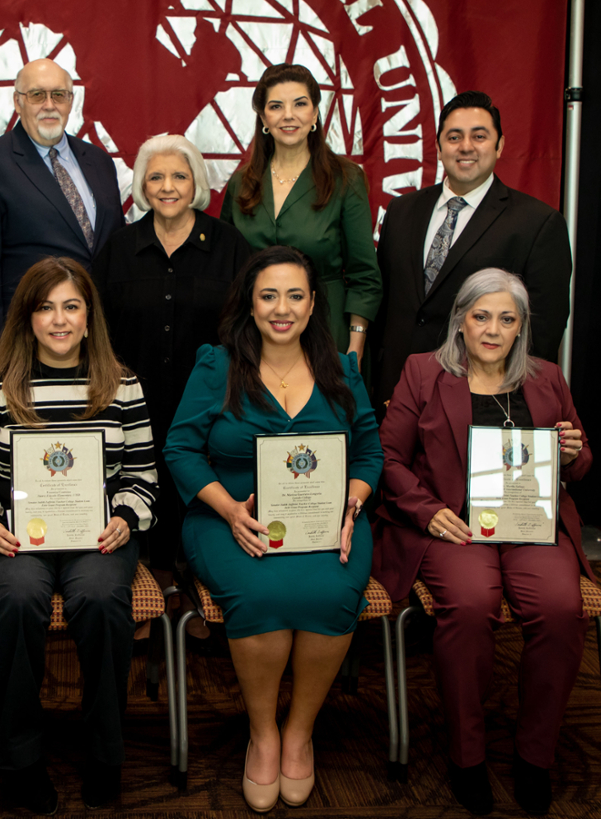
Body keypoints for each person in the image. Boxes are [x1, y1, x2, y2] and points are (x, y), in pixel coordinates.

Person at [164, 245, 382, 812]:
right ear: (250, 305)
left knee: (332, 590)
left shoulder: (343, 368)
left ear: (313, 306)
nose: (281, 308)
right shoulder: (217, 365)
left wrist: (352, 508)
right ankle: (263, 732)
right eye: (268, 296)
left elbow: (369, 455)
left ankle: (299, 731)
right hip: (228, 519)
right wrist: (230, 509)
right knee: (260, 593)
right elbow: (182, 449)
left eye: (294, 295)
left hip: (328, 522)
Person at [373, 267, 592, 816]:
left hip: (531, 527)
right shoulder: (424, 373)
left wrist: (572, 453)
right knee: (470, 606)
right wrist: (429, 512)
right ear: (461, 321)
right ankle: (466, 756)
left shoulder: (546, 378)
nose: (492, 329)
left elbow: (581, 462)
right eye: (481, 316)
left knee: (561, 608)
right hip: (457, 527)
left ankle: (534, 756)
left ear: (521, 328)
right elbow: (387, 459)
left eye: (506, 319)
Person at [0, 257, 157, 812]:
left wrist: (126, 515)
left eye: (71, 306)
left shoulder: (123, 384)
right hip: (17, 539)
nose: (59, 320)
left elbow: (143, 476)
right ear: (27, 318)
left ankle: (104, 753)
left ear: (90, 319)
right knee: (16, 598)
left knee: (98, 596)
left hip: (100, 537)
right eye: (45, 307)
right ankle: (20, 756)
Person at [93, 134, 252, 579]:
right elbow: (98, 327)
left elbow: (245, 325)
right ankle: (146, 585)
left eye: (179, 176)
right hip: (131, 401)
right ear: (142, 186)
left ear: (197, 183)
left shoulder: (229, 246)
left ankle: (193, 587)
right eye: (156, 176)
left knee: (197, 489)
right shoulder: (118, 249)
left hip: (209, 402)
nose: (168, 186)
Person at [371, 90, 573, 410]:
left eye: (479, 136)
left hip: (478, 402)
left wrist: (506, 401)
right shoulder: (401, 211)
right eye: (454, 137)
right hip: (393, 395)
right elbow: (384, 307)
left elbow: (542, 331)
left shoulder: (538, 223)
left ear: (499, 145)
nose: (466, 146)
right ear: (438, 147)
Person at [0, 58, 125, 368]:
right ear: (17, 102)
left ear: (71, 101)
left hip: (100, 342)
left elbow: (110, 249)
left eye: (58, 95)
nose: (49, 105)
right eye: (36, 95)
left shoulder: (98, 161)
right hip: (24, 348)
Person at [220, 63, 381, 366]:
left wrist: (355, 347)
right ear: (264, 118)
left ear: (315, 114)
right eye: (276, 106)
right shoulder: (242, 183)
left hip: (329, 334)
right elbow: (225, 266)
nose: (288, 115)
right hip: (254, 337)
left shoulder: (346, 179)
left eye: (300, 104)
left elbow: (364, 276)